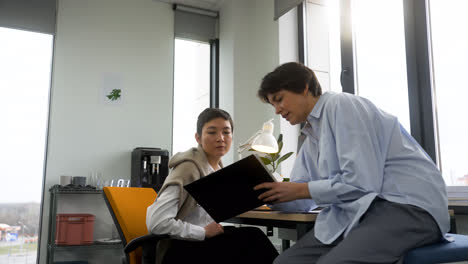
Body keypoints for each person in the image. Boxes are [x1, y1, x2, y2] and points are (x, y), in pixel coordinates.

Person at [254, 62, 449, 264]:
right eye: (273, 104)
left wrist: (300, 190)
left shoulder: (342, 105)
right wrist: (272, 195)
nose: (277, 110)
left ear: (304, 87)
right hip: (359, 214)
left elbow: (361, 183)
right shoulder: (311, 138)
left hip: (406, 205)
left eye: (279, 99)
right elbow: (303, 197)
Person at [146, 108, 278, 264]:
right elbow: (156, 223)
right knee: (252, 242)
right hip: (180, 250)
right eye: (212, 132)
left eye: (226, 132)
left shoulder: (216, 170)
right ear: (198, 138)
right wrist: (202, 232)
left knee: (252, 237)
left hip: (202, 243)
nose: (220, 138)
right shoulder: (188, 169)